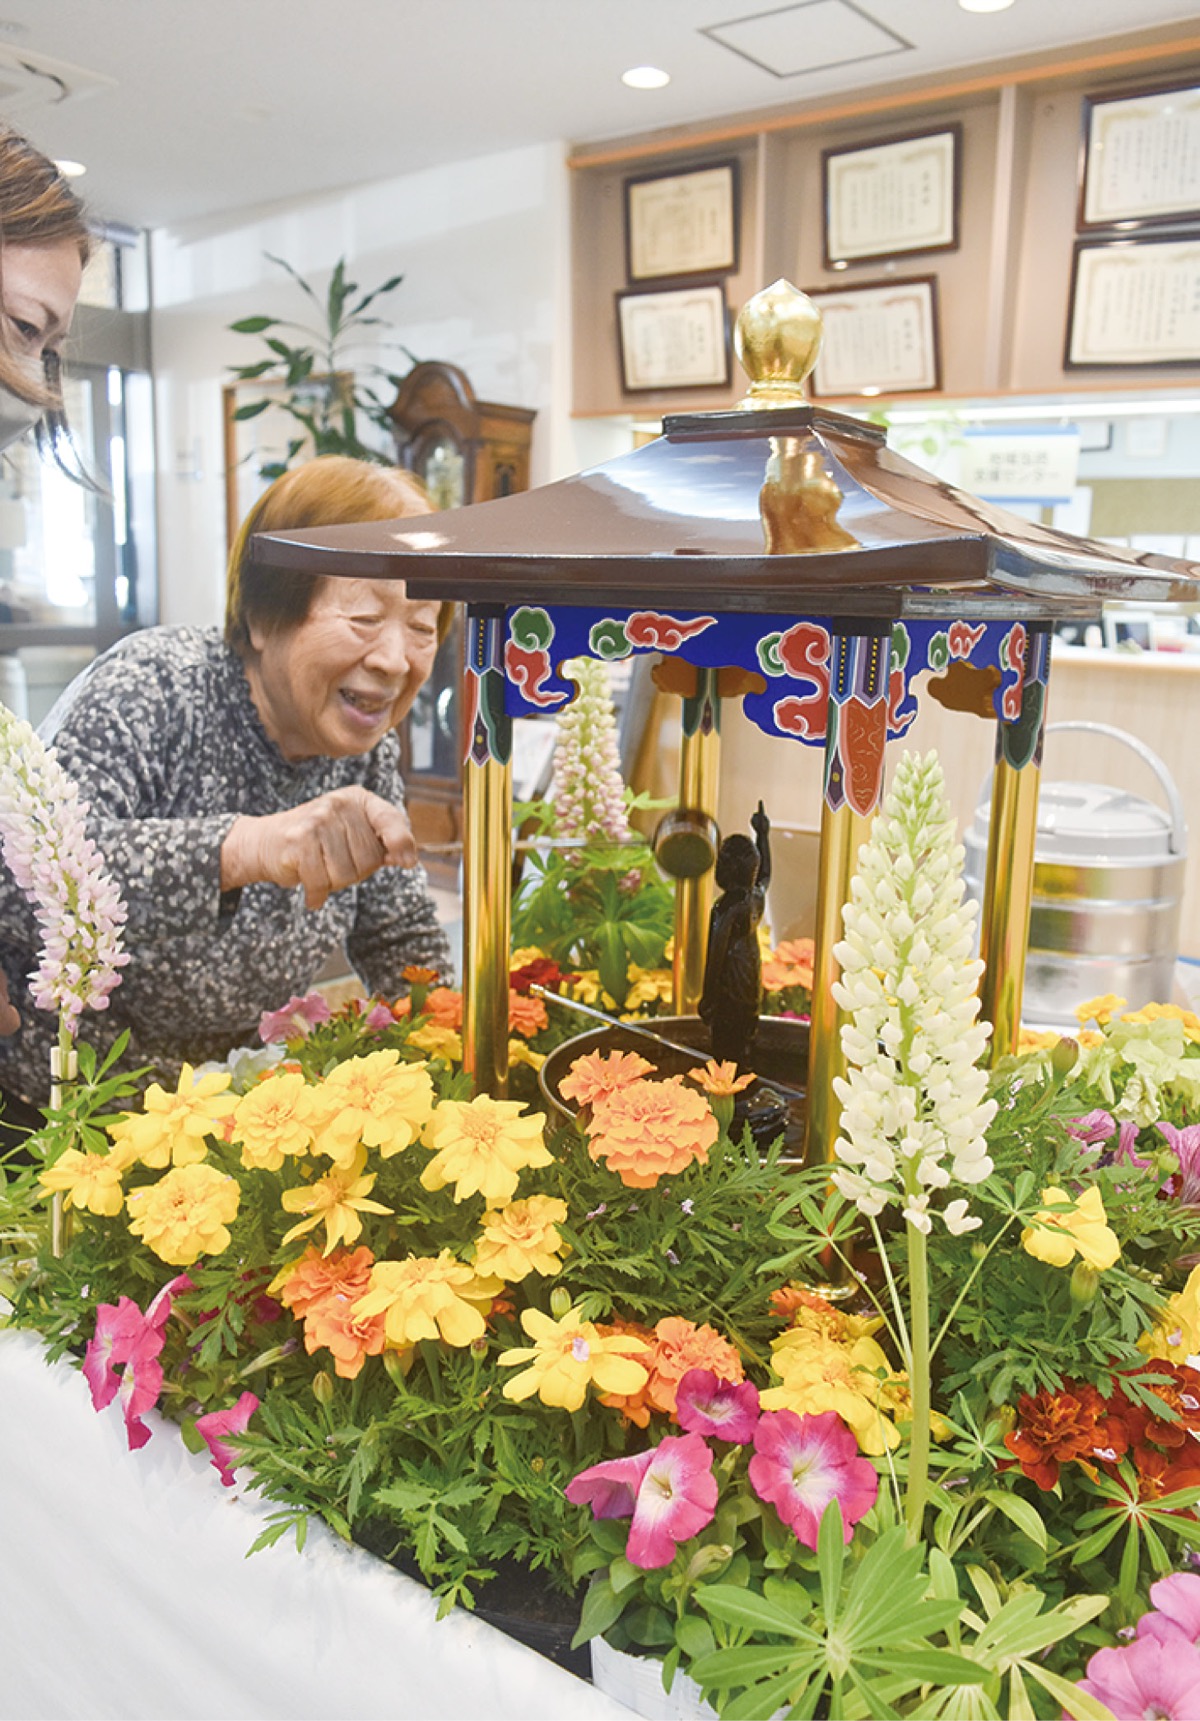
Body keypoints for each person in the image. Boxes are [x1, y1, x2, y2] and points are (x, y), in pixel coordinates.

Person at [0, 454, 454, 1109]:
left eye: (421, 626)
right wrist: (244, 847)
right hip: (63, 1122)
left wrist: (457, 1043)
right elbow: (20, 884)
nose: (394, 659)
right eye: (362, 618)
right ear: (267, 616)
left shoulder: (366, 754)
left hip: (228, 1122)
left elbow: (398, 934)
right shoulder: (155, 687)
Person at [698, 802, 771, 1068]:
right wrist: (763, 835)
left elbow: (715, 956)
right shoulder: (755, 897)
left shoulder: (726, 908)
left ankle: (726, 1089)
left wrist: (708, 998)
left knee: (725, 1037)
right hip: (750, 971)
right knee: (746, 1028)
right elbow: (766, 874)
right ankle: (745, 1075)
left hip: (730, 978)